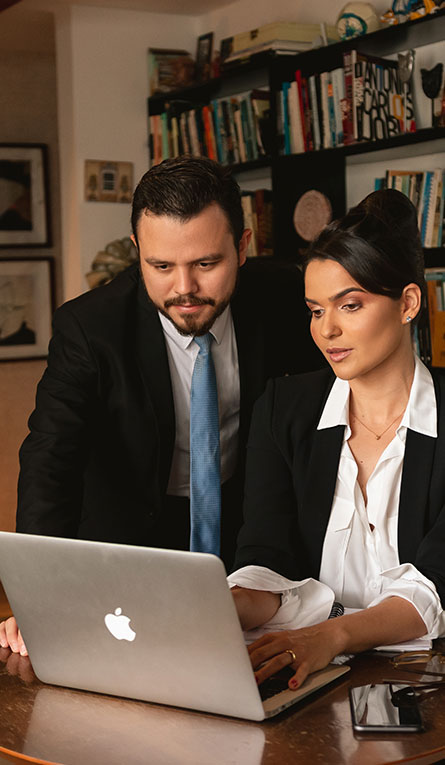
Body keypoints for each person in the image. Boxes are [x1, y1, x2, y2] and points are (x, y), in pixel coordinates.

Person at [0, 156, 323, 654]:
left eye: (206, 264)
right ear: (138, 250)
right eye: (162, 266)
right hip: (127, 540)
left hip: (249, 535)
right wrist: (37, 590)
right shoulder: (91, 328)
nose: (184, 289)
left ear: (242, 246)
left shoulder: (287, 299)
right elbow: (50, 456)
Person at [230, 188, 445, 691]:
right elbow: (266, 556)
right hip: (303, 671)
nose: (328, 330)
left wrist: (330, 636)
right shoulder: (283, 408)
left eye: (349, 305)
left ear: (408, 303)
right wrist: (220, 606)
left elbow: (436, 584)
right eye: (314, 310)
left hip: (428, 678)